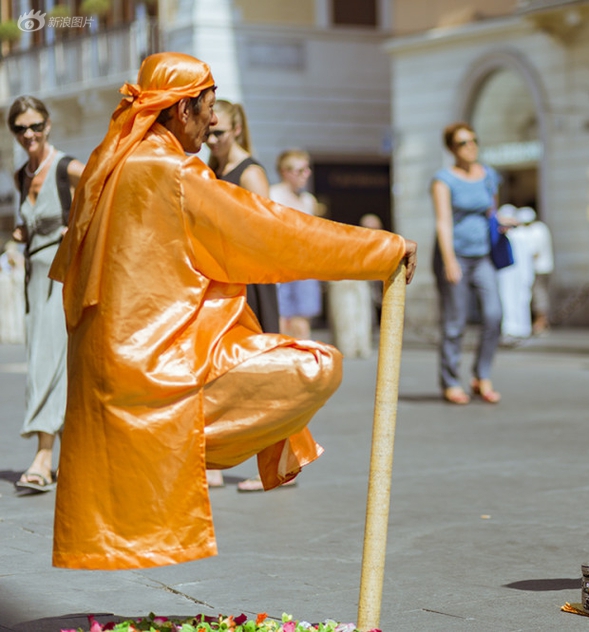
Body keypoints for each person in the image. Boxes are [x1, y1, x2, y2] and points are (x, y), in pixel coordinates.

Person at [47, 52, 417, 570]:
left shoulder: (106, 166)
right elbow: (274, 232)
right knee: (317, 365)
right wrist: (379, 251)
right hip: (161, 369)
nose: (213, 119)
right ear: (181, 111)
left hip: (105, 373)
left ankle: (170, 446)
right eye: (209, 107)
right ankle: (174, 447)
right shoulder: (172, 172)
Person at [6, 96, 85, 495]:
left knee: (46, 360)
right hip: (35, 279)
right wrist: (19, 235)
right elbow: (30, 224)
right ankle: (64, 455)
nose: (29, 134)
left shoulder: (66, 166)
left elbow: (104, 192)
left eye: (35, 125)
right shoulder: (21, 175)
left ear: (49, 124)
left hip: (63, 275)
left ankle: (42, 456)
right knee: (48, 358)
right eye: (20, 128)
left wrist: (79, 229)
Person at [431, 122, 503, 404]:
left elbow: (491, 211)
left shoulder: (488, 176)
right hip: (455, 255)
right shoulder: (443, 180)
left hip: (483, 255)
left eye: (473, 140)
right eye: (463, 142)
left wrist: (501, 224)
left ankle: (481, 375)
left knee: (494, 315)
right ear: (451, 149)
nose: (471, 146)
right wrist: (449, 260)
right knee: (454, 321)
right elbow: (443, 222)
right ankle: (450, 381)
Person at [206, 100, 280, 334]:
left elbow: (267, 230)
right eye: (207, 132)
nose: (211, 140)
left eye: (219, 133)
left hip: (249, 278)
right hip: (222, 274)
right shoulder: (214, 170)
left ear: (236, 130)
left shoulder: (251, 173)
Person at [272, 150, 326, 341]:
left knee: (303, 318)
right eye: (300, 170)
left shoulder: (307, 200)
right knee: (280, 318)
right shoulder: (274, 194)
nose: (306, 174)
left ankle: (303, 359)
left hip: (304, 265)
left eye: (307, 169)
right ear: (285, 172)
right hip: (280, 265)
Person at [496, 204, 535, 344]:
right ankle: (513, 328)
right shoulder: (516, 236)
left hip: (516, 275)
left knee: (519, 300)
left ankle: (519, 328)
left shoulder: (519, 236)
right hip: (509, 275)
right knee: (509, 300)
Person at [519, 206, 554, 335]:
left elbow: (534, 252)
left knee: (538, 294)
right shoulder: (541, 228)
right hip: (543, 268)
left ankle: (541, 320)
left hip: (539, 269)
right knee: (540, 293)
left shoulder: (537, 230)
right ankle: (541, 320)